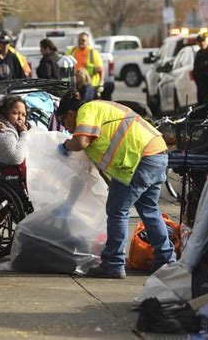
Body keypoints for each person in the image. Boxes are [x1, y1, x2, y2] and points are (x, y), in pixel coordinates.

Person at [55, 94, 176, 279]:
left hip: (140, 159)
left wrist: (65, 146)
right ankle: (166, 260)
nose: (68, 129)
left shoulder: (87, 110)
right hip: (157, 153)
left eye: (64, 122)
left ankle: (113, 263)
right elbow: (102, 170)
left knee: (118, 211)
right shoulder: (99, 112)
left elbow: (79, 143)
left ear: (70, 114)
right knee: (149, 210)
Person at [0, 95, 30, 166]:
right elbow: (16, 158)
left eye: (23, 115)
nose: (20, 118)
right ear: (5, 112)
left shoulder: (14, 127)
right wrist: (23, 134)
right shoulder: (1, 129)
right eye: (15, 113)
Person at [66, 32, 104, 97]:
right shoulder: (71, 51)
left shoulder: (93, 53)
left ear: (88, 42)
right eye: (79, 40)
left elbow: (101, 70)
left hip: (90, 85)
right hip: (75, 84)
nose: (81, 42)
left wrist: (101, 84)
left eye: (83, 40)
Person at [193, 34, 208, 106]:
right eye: (200, 41)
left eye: (203, 41)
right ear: (197, 43)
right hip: (203, 88)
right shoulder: (199, 54)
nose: (202, 43)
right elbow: (196, 71)